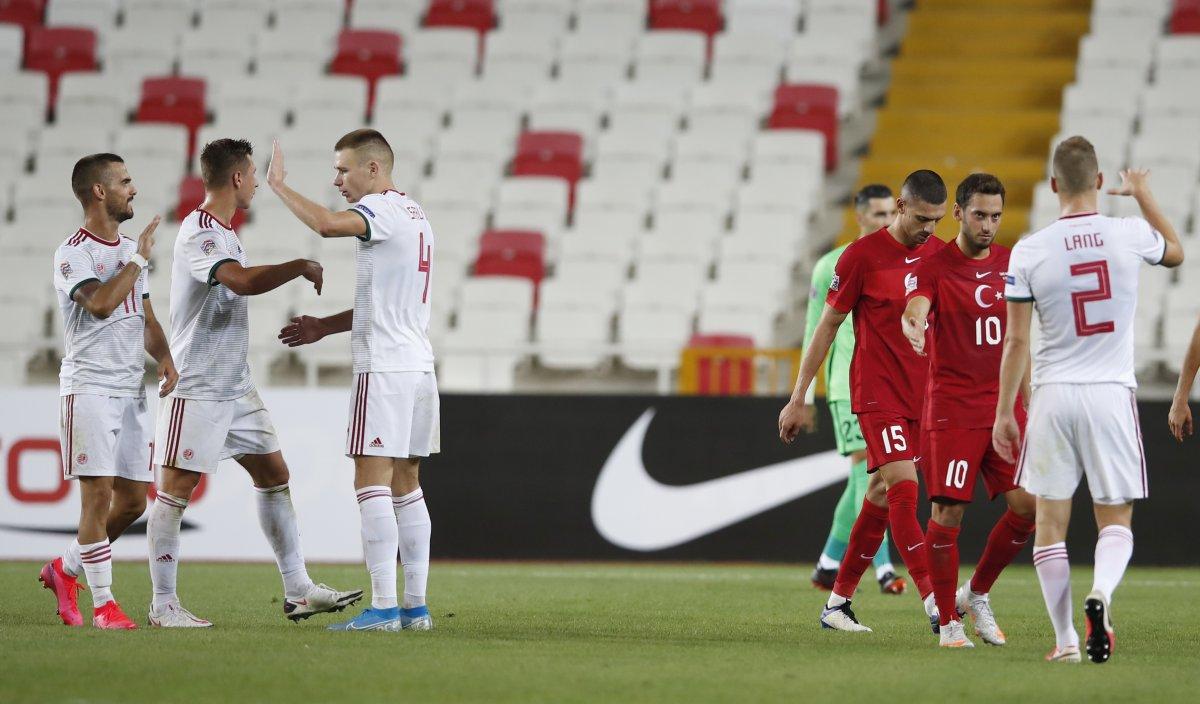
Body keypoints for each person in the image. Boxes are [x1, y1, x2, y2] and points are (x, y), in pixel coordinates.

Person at [146, 138, 362, 627]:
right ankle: (163, 604)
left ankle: (298, 590)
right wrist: (298, 265)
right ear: (238, 178)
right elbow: (239, 281)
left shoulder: (225, 232)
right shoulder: (198, 232)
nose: (258, 185)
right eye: (253, 175)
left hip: (235, 384)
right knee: (174, 492)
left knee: (274, 475)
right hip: (197, 385)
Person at [994, 136, 1184, 663]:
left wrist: (1004, 411)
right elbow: (1175, 252)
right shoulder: (1128, 233)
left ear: (1054, 184)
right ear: (1099, 182)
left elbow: (1016, 342)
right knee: (1115, 520)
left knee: (1049, 525)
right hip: (1110, 393)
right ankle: (1100, 593)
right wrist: (1141, 193)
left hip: (1053, 396)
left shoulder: (1029, 249)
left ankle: (1065, 642)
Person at [267, 129, 438, 632]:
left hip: (383, 367)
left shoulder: (379, 209)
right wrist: (325, 326)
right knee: (408, 486)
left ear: (373, 168)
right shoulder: (415, 213)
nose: (336, 180)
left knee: (371, 481)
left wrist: (278, 185)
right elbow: (385, 301)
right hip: (418, 366)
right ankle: (415, 608)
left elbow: (325, 225)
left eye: (343, 169)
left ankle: (383, 607)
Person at [780, 170, 948, 633]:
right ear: (901, 207)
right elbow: (825, 327)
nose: (929, 228)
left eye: (936, 220)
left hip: (922, 398)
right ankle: (937, 605)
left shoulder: (938, 255)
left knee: (875, 493)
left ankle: (836, 603)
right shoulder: (859, 257)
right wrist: (798, 397)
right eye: (922, 218)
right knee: (903, 489)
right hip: (876, 395)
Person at [901, 173, 1038, 648]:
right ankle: (948, 622)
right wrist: (914, 323)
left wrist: (1028, 400)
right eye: (979, 215)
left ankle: (975, 594)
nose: (988, 225)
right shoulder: (933, 265)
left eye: (996, 216)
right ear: (958, 213)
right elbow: (916, 306)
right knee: (948, 513)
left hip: (1003, 408)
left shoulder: (1013, 263)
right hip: (953, 409)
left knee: (1028, 506)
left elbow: (1019, 338)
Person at [40, 154, 175, 630]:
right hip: (90, 387)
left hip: (130, 388)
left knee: (134, 502)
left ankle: (64, 569)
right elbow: (99, 303)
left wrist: (164, 356)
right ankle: (104, 606)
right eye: (125, 181)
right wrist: (137, 259)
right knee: (96, 498)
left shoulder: (131, 253)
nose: (133, 189)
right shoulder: (72, 253)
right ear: (99, 191)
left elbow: (146, 317)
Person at [804, 184, 904, 595]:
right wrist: (803, 396)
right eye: (879, 214)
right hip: (847, 387)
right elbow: (814, 330)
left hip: (886, 386)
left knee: (861, 479)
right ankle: (883, 568)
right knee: (871, 470)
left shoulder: (901, 263)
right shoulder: (831, 265)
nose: (887, 221)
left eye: (891, 213)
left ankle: (828, 564)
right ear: (860, 216)